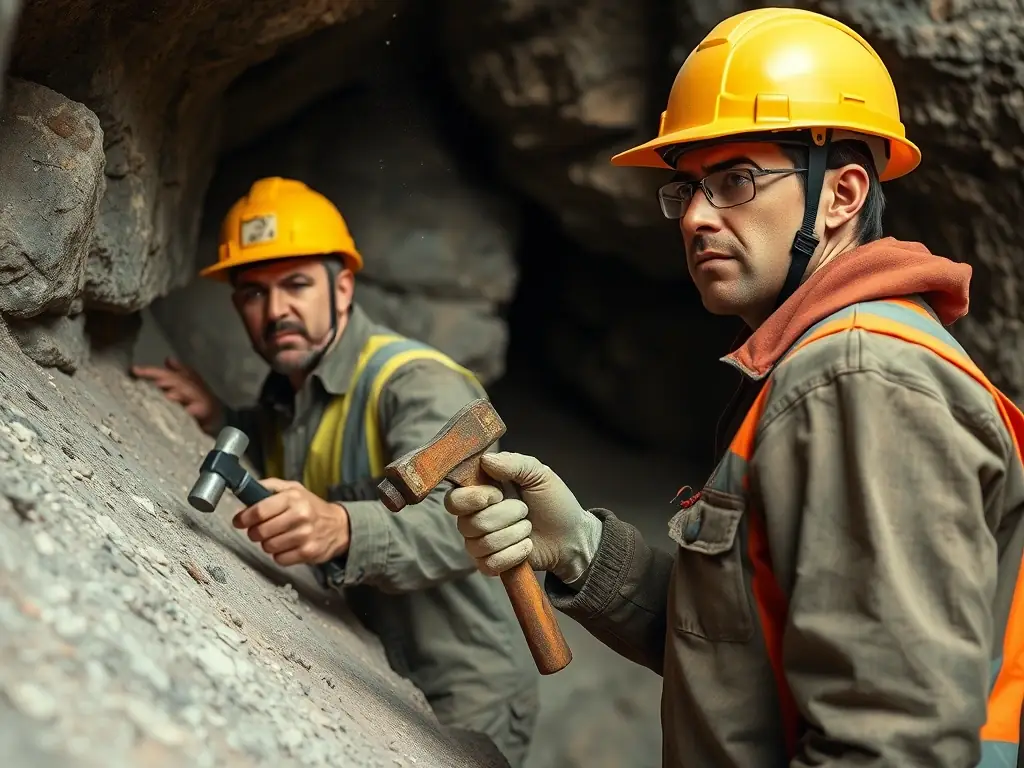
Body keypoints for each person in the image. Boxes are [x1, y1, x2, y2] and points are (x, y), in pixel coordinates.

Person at [442, 8, 1024, 768]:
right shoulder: (817, 365)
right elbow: (749, 650)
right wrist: (581, 548)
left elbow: (892, 740)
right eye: (685, 190)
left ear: (842, 195)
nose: (696, 218)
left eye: (735, 180)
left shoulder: (862, 379)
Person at [133, 176, 538, 767]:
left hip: (462, 694)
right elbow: (304, 447)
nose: (276, 311)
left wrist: (343, 527)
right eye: (253, 293)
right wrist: (220, 414)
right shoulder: (288, 394)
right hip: (367, 670)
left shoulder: (416, 385)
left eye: (296, 284)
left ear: (342, 287)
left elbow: (465, 528)